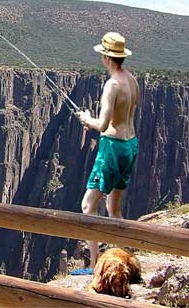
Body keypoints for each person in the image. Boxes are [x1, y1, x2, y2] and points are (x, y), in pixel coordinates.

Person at [77, 32, 139, 269]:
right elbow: (126, 115)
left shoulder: (112, 85)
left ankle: (94, 266)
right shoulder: (132, 80)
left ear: (106, 57)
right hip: (130, 145)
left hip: (112, 148)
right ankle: (125, 260)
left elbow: (102, 125)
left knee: (88, 205)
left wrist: (86, 118)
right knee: (114, 208)